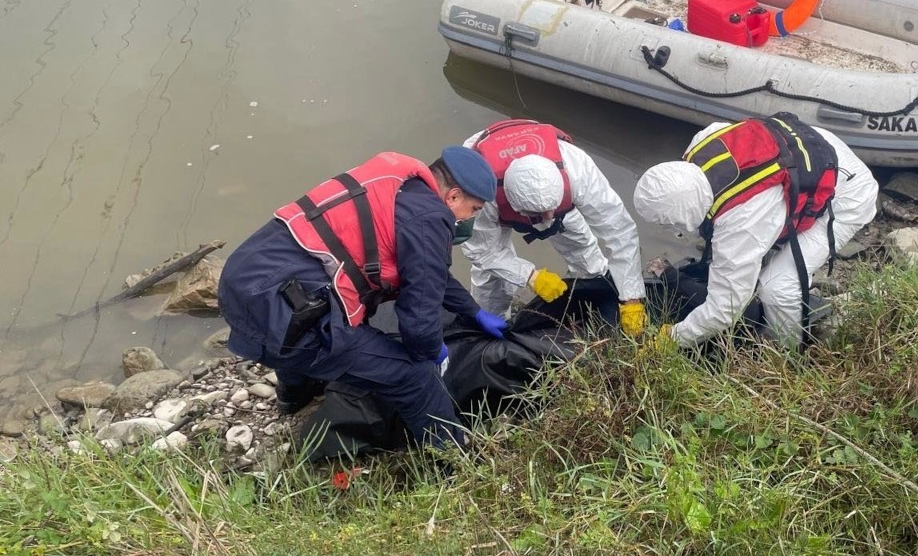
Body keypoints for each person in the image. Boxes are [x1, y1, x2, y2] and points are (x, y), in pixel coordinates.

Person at [217, 148, 511, 449]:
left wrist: (473, 312)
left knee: (298, 322)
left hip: (242, 282)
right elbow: (419, 327)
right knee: (415, 376)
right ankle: (453, 459)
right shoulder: (431, 218)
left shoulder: (399, 183)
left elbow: (429, 272)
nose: (470, 219)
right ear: (453, 197)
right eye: (474, 209)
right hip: (279, 311)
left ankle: (293, 398)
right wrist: (433, 350)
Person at [632, 112, 878, 349]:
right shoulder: (699, 145)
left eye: (669, 221)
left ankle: (786, 352)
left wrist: (670, 338)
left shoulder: (742, 222)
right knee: (754, 262)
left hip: (845, 193)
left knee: (777, 287)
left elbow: (724, 310)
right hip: (807, 150)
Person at [461, 119, 648, 336]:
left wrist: (631, 296)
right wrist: (530, 276)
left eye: (551, 209)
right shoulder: (479, 190)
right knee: (491, 279)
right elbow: (482, 251)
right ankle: (492, 326)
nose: (548, 219)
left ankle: (591, 290)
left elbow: (619, 230)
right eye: (538, 215)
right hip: (494, 187)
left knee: (585, 256)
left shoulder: (577, 169)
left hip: (557, 197)